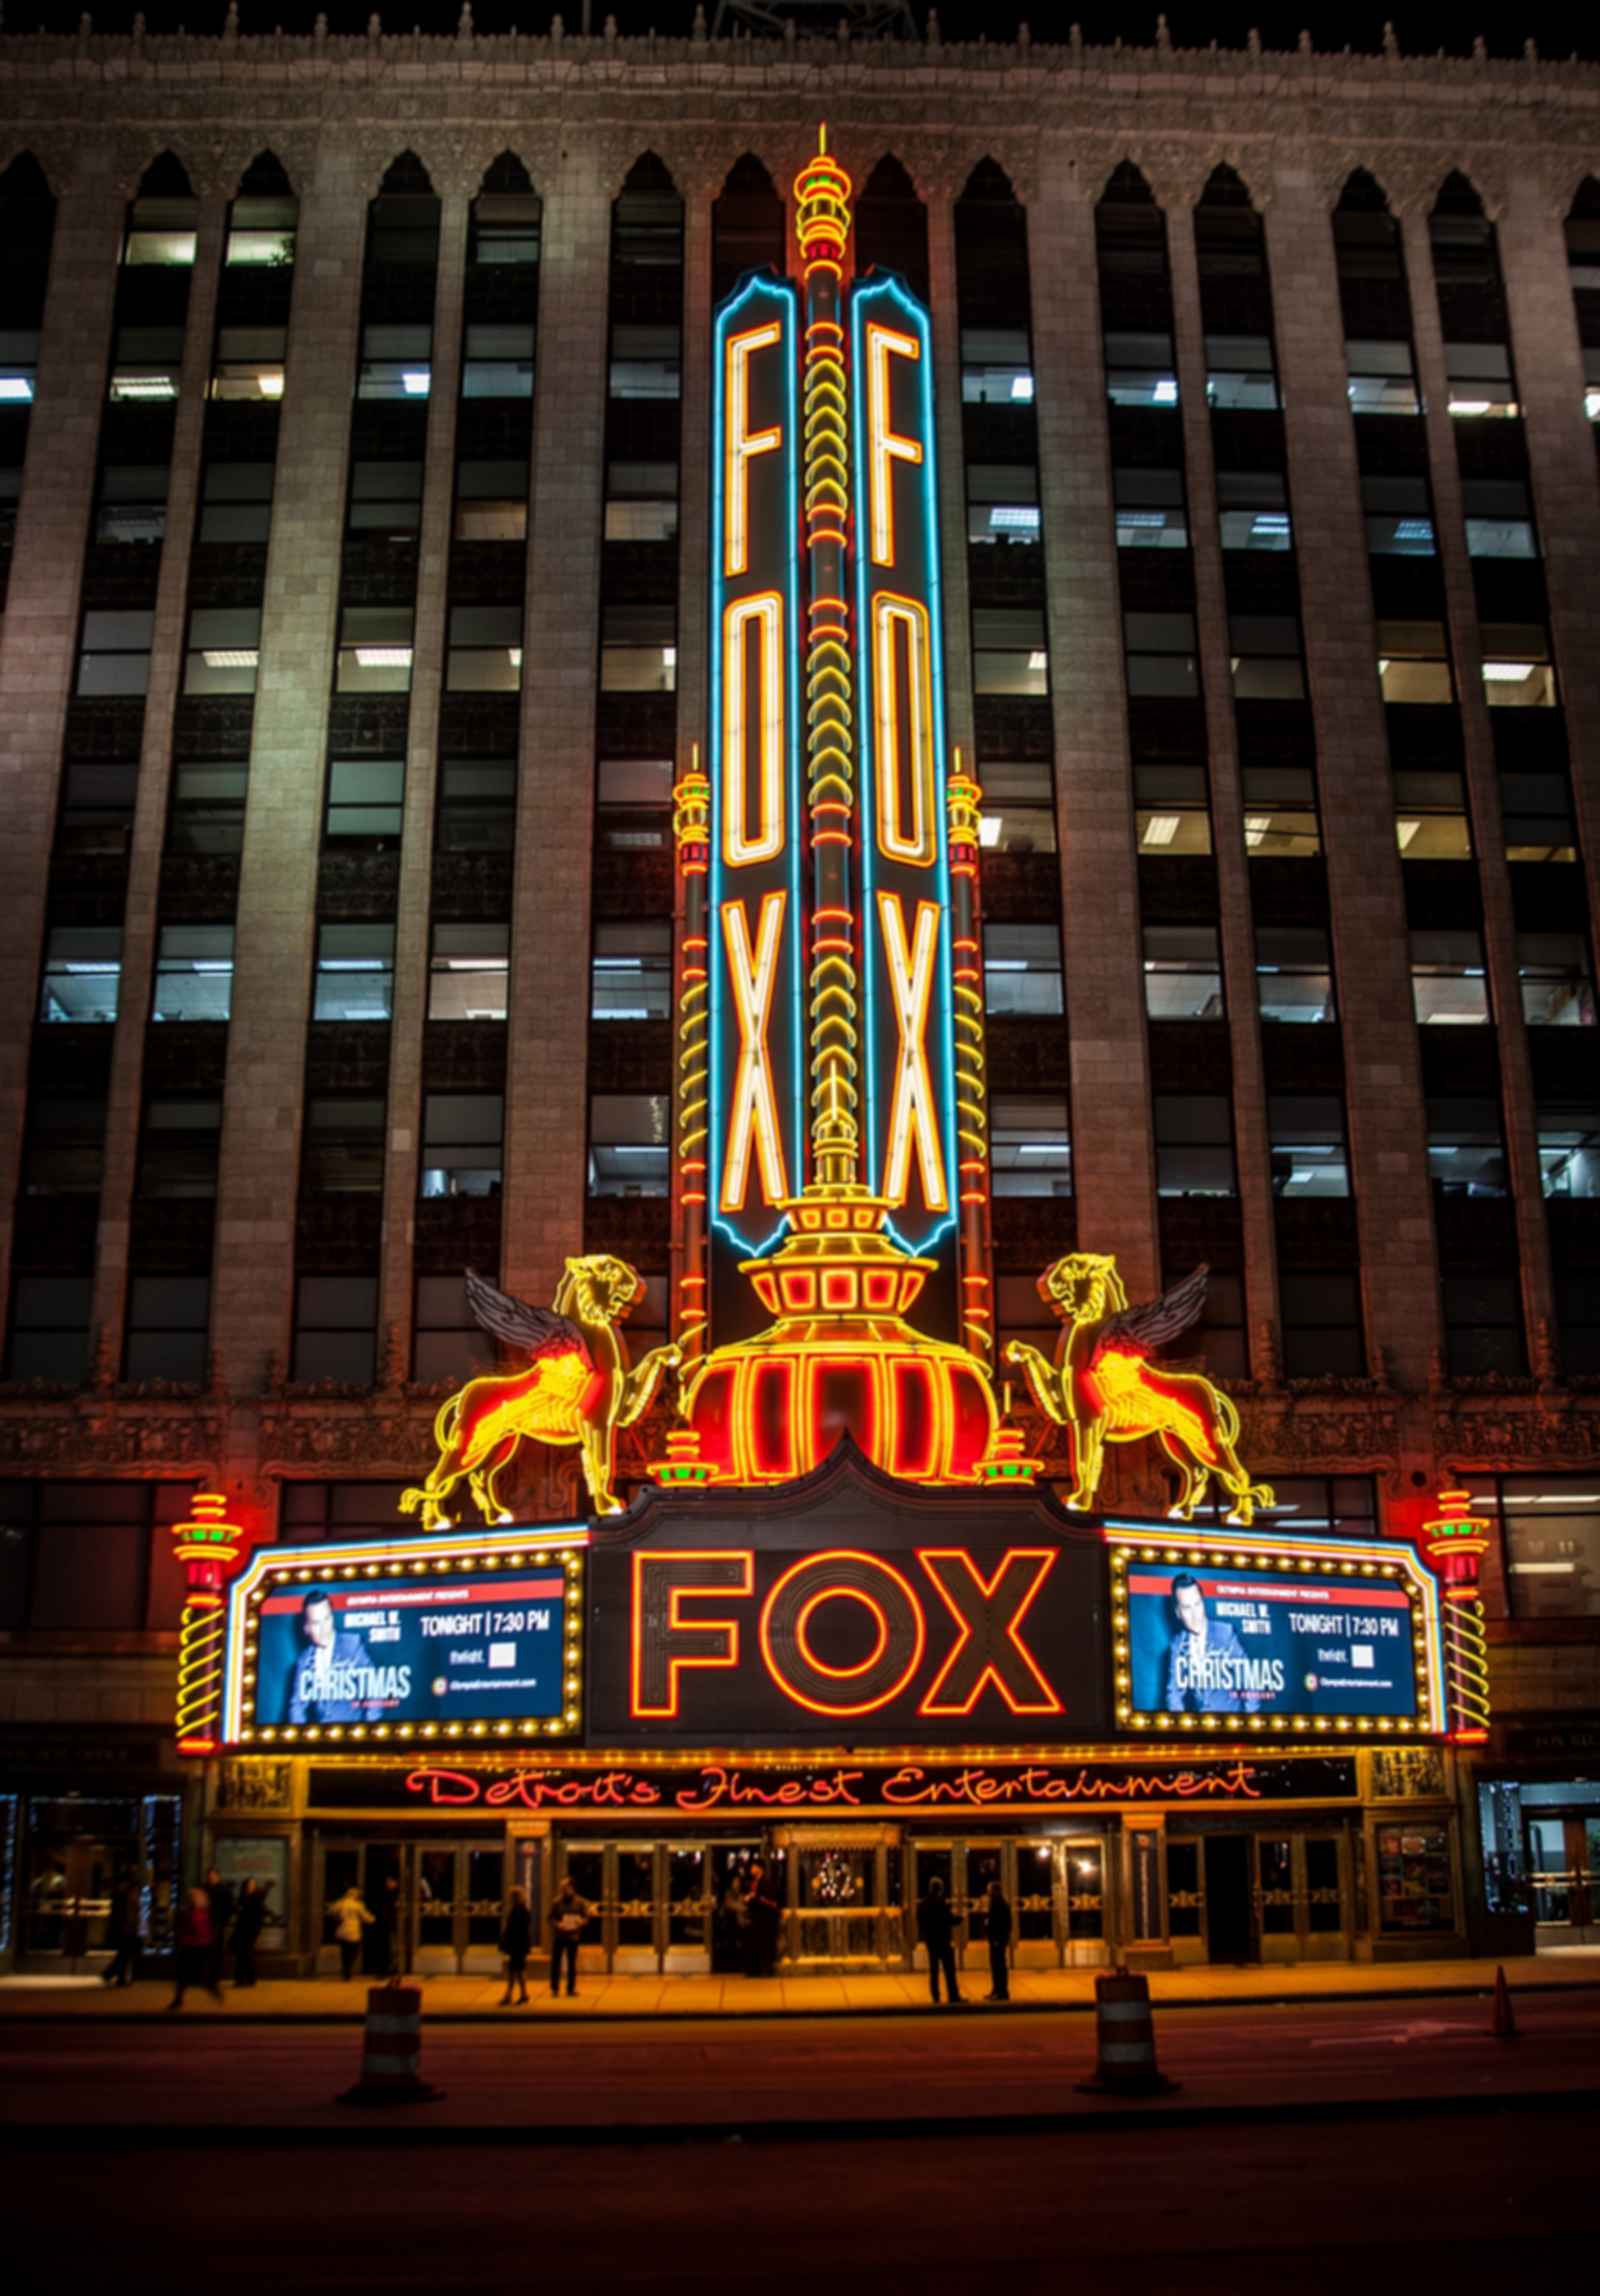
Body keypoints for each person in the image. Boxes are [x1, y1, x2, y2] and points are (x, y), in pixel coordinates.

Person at [1164, 1572, 1255, 1715]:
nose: (1196, 1614)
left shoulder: (1225, 1634)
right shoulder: (1177, 1644)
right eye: (1187, 1608)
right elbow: (1173, 1694)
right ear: (1178, 1612)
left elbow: (1251, 1683)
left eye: (1198, 1604)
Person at [285, 1588, 373, 1725]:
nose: (324, 1628)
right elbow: (296, 1706)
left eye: (327, 1619)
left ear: (332, 1617)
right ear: (306, 1628)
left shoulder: (352, 1645)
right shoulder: (303, 1661)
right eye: (316, 1623)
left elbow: (375, 1693)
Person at [166, 1887, 219, 2011]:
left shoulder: (204, 1913)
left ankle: (209, 1988)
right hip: (190, 1946)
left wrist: (210, 1940)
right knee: (183, 1975)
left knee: (192, 1974)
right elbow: (180, 1928)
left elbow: (209, 1929)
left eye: (201, 1898)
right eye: (197, 1898)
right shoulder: (187, 1912)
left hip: (201, 1945)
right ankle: (178, 1999)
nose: (200, 1900)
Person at [917, 1874, 962, 2007]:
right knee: (949, 1969)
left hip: (931, 1941)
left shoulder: (924, 1903)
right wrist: (959, 1919)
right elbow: (948, 1919)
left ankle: (935, 1995)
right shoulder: (941, 1902)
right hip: (943, 1940)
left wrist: (926, 1934)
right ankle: (953, 1995)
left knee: (934, 1970)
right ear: (940, 1888)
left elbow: (921, 1920)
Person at [102, 1870, 145, 1988]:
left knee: (124, 1954)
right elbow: (128, 1916)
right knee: (125, 1954)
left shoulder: (123, 1898)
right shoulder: (124, 1899)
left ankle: (113, 1975)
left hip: (128, 1929)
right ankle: (114, 1975)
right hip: (127, 1930)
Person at [548, 1875, 590, 1998]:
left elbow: (586, 1917)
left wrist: (582, 1922)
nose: (563, 1890)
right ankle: (555, 1988)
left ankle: (571, 1989)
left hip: (573, 1936)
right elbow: (550, 1918)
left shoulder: (580, 1902)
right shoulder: (556, 1902)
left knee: (572, 1964)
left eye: (565, 1887)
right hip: (559, 1936)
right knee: (556, 1963)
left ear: (572, 1887)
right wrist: (557, 1924)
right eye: (562, 1888)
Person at [204, 1866, 235, 1995]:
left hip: (217, 1923)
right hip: (206, 1923)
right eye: (209, 1875)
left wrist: (223, 1920)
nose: (211, 1878)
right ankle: (208, 1977)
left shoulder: (223, 1890)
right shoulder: (206, 1889)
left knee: (215, 1951)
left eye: (213, 1875)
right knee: (208, 1951)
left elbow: (229, 1907)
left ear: (217, 1876)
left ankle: (214, 1978)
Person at [332, 1883, 374, 1982]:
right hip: (353, 1932)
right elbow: (366, 1918)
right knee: (353, 1951)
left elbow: (331, 1911)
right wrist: (373, 1919)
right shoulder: (357, 1905)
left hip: (341, 1931)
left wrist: (337, 1918)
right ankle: (348, 1969)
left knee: (344, 1952)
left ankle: (345, 1969)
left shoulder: (340, 1903)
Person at [499, 1885, 533, 2006]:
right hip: (519, 1946)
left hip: (517, 1946)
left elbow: (515, 1930)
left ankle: (519, 1994)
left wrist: (507, 1941)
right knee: (515, 1971)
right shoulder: (521, 1910)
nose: (509, 1899)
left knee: (516, 1971)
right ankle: (516, 1994)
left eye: (511, 1897)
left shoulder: (519, 1911)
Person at [232, 1878, 269, 1989]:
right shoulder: (242, 1897)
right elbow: (237, 1910)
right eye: (249, 1884)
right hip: (241, 1928)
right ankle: (241, 1978)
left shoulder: (256, 1898)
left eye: (252, 1884)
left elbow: (260, 1912)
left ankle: (249, 1978)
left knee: (246, 1953)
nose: (250, 1886)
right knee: (241, 1954)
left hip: (251, 1929)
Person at [982, 1877, 1013, 2003]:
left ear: (995, 1891)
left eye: (989, 1890)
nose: (987, 1893)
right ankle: (997, 1990)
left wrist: (996, 1937)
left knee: (998, 1966)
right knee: (996, 1966)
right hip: (997, 1939)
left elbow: (1000, 1923)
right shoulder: (998, 1902)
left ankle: (1001, 1991)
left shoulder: (998, 1904)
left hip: (997, 1940)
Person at [371, 1871, 403, 1977]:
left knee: (388, 1948)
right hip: (385, 1926)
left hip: (387, 1925)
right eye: (391, 1881)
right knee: (385, 1948)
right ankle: (384, 1970)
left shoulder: (391, 1895)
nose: (394, 1884)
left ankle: (387, 1969)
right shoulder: (385, 1896)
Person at [717, 1871, 748, 1974]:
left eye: (738, 1882)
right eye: (735, 1882)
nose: (737, 1884)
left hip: (740, 1923)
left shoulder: (741, 1894)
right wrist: (743, 1907)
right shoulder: (729, 1894)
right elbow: (731, 1905)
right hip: (731, 1924)